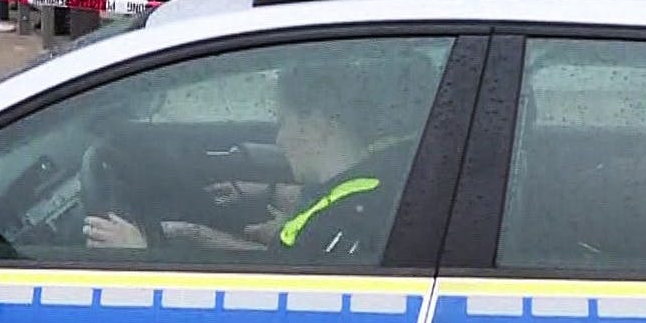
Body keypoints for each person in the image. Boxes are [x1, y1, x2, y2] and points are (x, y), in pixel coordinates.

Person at [84, 62, 412, 261]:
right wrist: (195, 235)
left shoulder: (342, 222)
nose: (279, 139)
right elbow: (279, 262)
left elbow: (266, 302)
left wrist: (141, 258)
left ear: (316, 125)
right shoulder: (363, 183)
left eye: (283, 122)